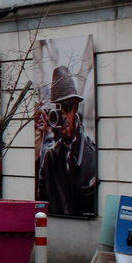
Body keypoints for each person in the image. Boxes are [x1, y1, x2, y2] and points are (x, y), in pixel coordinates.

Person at [35, 65, 96, 216]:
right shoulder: (49, 157)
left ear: (76, 108)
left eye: (67, 107)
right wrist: (38, 138)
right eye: (58, 110)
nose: (63, 117)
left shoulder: (92, 155)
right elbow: (39, 201)